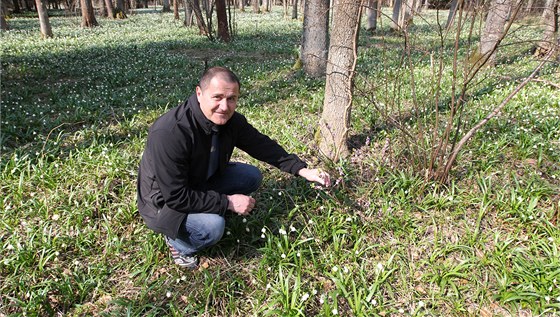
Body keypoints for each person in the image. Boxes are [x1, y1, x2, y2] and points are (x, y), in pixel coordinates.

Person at [137, 66, 330, 270]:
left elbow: (262, 145)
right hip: (164, 203)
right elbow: (176, 196)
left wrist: (302, 170)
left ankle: (208, 209)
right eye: (217, 97)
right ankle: (178, 243)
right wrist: (227, 202)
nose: (224, 106)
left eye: (231, 99)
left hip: (199, 181)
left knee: (251, 176)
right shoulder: (170, 132)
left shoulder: (231, 121)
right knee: (213, 227)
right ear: (199, 93)